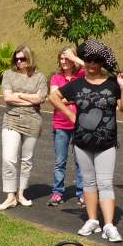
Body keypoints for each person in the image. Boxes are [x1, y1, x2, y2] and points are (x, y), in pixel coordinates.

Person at [49, 40, 123, 242]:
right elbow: (54, 96)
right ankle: (93, 220)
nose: (92, 64)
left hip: (106, 144)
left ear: (102, 63)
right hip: (82, 143)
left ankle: (109, 225)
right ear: (84, 61)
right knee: (88, 183)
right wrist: (69, 114)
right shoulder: (77, 84)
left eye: (96, 61)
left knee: (105, 183)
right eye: (88, 60)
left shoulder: (113, 83)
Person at [0, 45, 48, 210]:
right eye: (16, 59)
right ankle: (10, 196)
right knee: (9, 159)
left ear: (29, 59)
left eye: (22, 59)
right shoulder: (9, 75)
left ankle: (21, 194)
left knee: (26, 160)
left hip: (33, 121)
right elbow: (7, 98)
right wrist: (30, 99)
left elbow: (40, 98)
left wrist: (19, 94)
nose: (19, 62)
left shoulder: (40, 77)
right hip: (12, 119)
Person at [48, 47, 85, 207]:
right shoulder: (56, 78)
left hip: (80, 124)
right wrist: (75, 98)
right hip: (61, 124)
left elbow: (92, 68)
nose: (63, 62)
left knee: (81, 162)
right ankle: (57, 192)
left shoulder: (81, 75)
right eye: (61, 59)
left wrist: (75, 57)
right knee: (60, 161)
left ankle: (82, 193)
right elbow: (54, 98)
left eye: (67, 58)